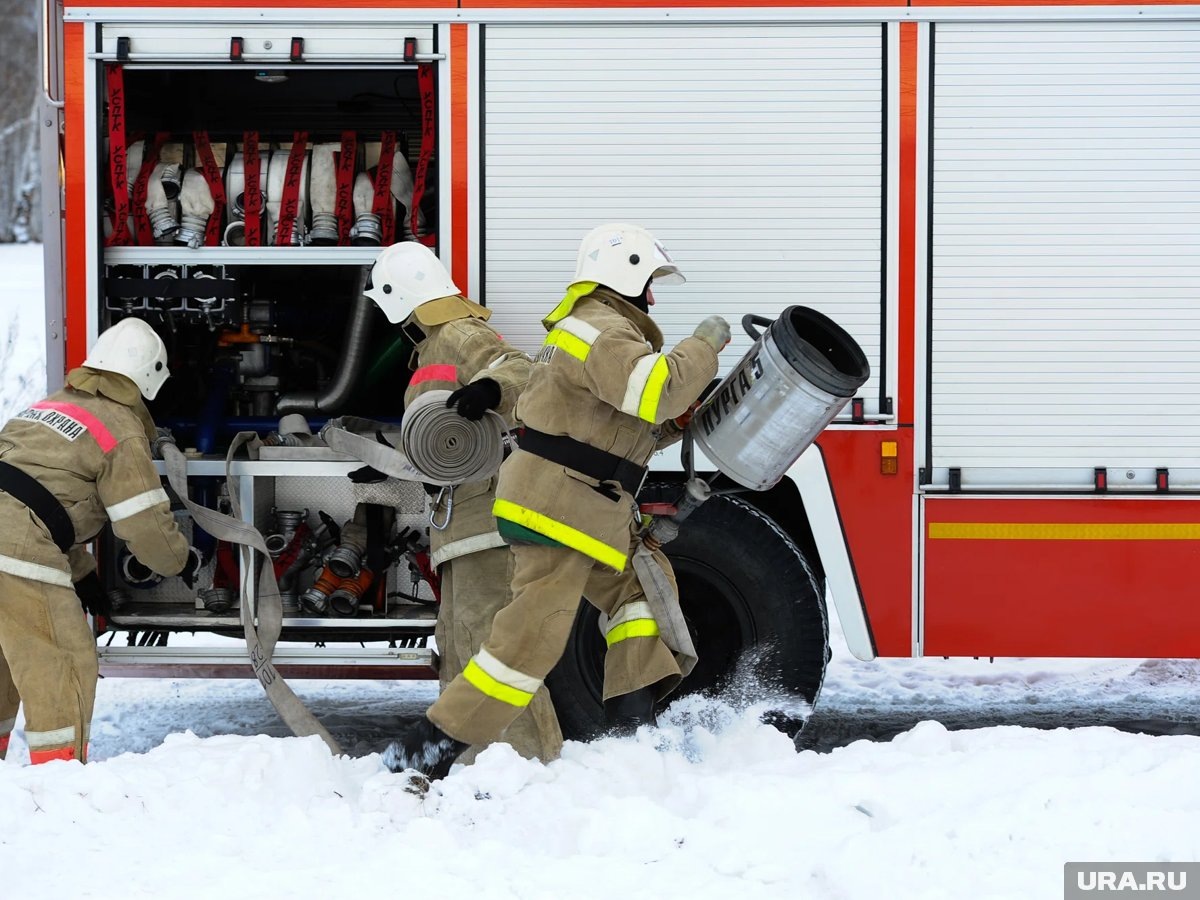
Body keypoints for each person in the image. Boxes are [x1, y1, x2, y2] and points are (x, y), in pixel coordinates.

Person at [383, 223, 731, 779]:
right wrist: (703, 346)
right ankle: (426, 748)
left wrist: (676, 421)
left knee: (635, 596)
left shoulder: (607, 332)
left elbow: (618, 424)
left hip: (584, 506)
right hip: (559, 509)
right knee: (527, 642)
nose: (654, 296)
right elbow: (657, 389)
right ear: (628, 274)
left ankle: (632, 724)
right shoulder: (597, 330)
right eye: (650, 282)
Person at [362, 241, 563, 764]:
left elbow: (518, 370)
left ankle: (527, 765)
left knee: (490, 651)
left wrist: (491, 391)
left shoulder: (458, 333)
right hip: (461, 524)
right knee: (457, 648)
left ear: (399, 298)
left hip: (485, 519)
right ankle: (473, 764)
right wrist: (399, 456)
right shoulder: (431, 347)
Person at [0, 317, 201, 763]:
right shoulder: (121, 429)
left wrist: (83, 573)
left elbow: (39, 496)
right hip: (15, 549)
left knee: (5, 655)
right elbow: (143, 524)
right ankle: (57, 779)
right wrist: (179, 562)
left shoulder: (48, 407)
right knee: (61, 656)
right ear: (148, 379)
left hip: (11, 538)